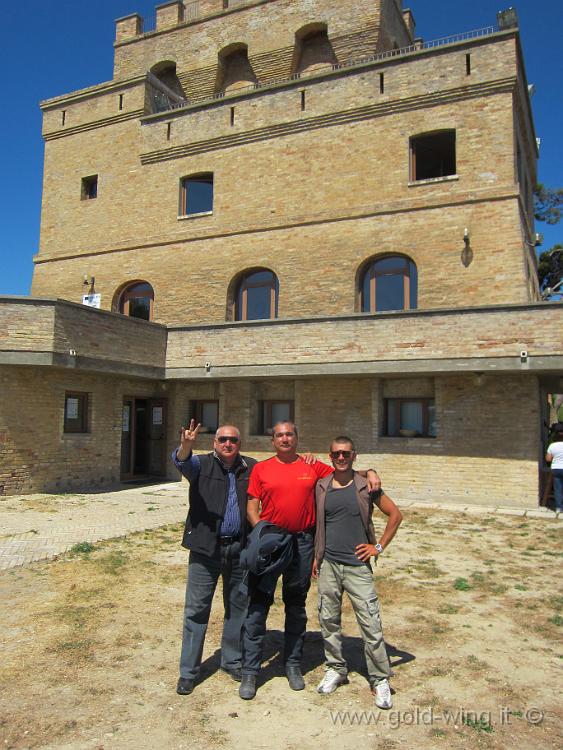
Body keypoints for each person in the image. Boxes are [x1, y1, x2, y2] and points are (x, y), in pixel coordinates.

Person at [239, 421, 380, 700]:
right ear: (273, 440)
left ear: (296, 438)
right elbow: (252, 507)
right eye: (279, 435)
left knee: (295, 604)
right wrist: (262, 535)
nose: (285, 438)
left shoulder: (311, 467)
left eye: (289, 434)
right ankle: (250, 671)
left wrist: (371, 471)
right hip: (272, 542)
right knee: (258, 604)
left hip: (302, 542)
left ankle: (292, 663)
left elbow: (345, 472)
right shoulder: (262, 469)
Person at [313, 435, 402, 709]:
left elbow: (395, 515)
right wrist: (317, 557)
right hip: (328, 563)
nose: (341, 458)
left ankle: (379, 679)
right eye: (337, 454)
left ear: (354, 455)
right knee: (328, 619)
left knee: (370, 623)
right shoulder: (322, 485)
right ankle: (336, 668)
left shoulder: (367, 486)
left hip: (357, 567)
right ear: (330, 457)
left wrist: (378, 547)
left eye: (346, 454)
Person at [172, 421, 256, 695]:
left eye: (233, 439)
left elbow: (282, 473)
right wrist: (186, 444)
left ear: (239, 443)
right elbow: (182, 462)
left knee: (238, 609)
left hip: (240, 549)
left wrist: (366, 472)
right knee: (196, 610)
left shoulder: (251, 467)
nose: (228, 443)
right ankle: (188, 672)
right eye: (223, 439)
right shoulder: (201, 465)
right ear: (215, 443)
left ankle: (231, 661)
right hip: (205, 549)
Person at [546, 423, 563, 512]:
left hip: (556, 469)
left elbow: (548, 459)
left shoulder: (552, 445)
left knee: (558, 488)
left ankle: (559, 508)